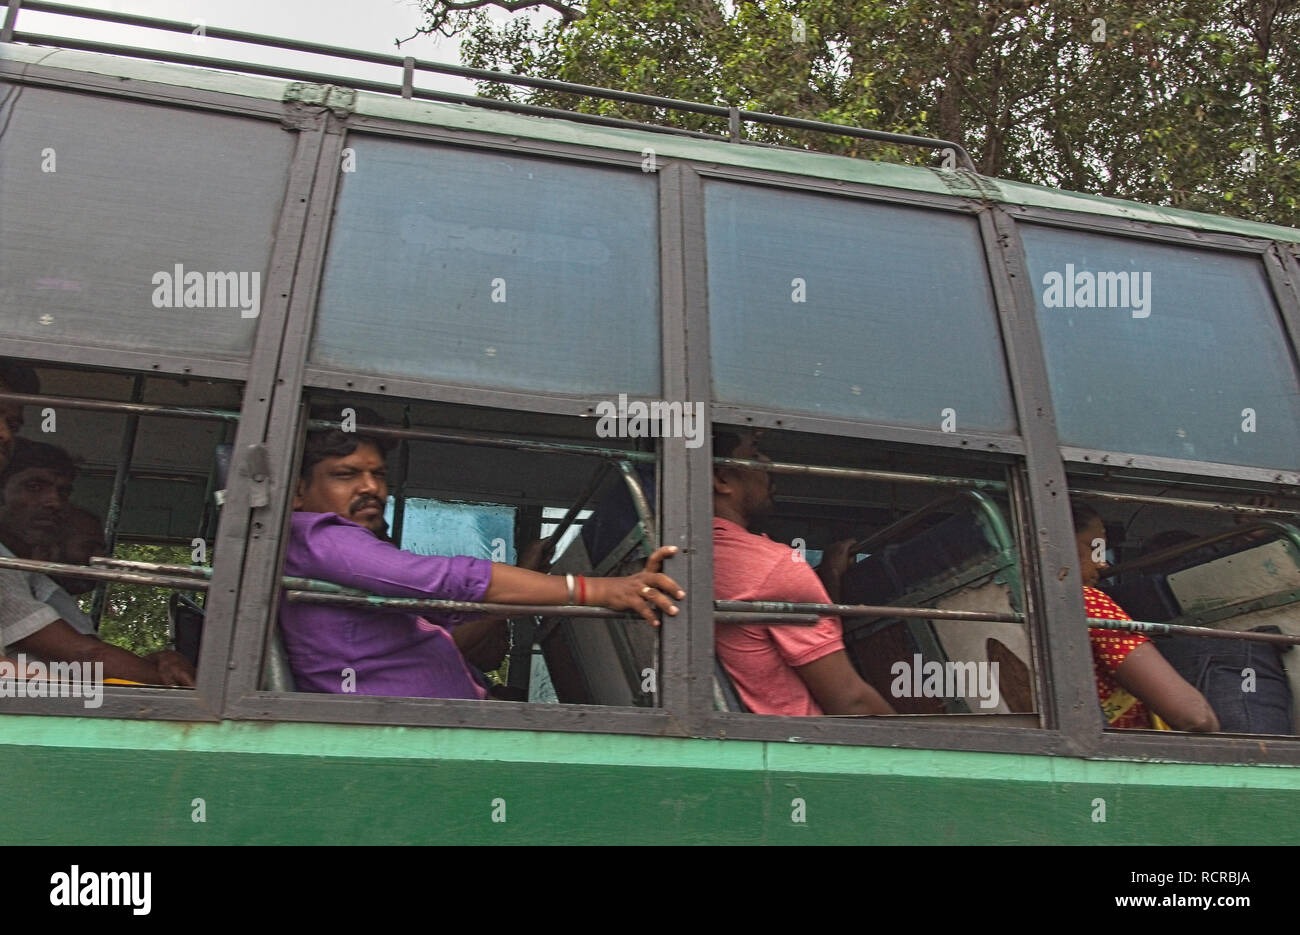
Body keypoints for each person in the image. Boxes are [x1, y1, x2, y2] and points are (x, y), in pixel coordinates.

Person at [280, 416, 685, 699]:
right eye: (346, 475)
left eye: (379, 474)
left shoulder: (342, 562)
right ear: (297, 492)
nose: (372, 488)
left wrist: (524, 579)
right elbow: (445, 581)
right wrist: (594, 590)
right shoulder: (318, 537)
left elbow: (453, 632)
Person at [0, 361, 194, 685]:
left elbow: (88, 653)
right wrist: (173, 687)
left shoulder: (24, 572)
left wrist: (156, 661)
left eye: (12, 424)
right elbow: (84, 658)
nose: (54, 503)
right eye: (34, 487)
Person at [711, 430, 894, 717]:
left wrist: (828, 579)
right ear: (722, 480)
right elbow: (851, 702)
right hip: (807, 752)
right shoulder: (771, 564)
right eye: (755, 454)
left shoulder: (694, 553)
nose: (769, 464)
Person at [1071, 503, 1218, 732]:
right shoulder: (1086, 600)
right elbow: (1195, 717)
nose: (1102, 563)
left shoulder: (1010, 601)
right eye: (1093, 548)